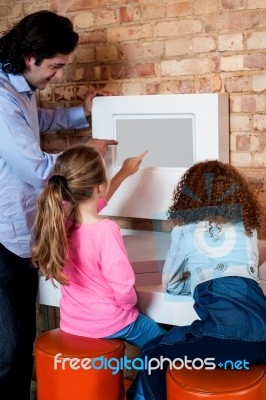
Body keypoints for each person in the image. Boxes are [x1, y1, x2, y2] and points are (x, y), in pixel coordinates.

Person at [0, 10, 117, 400]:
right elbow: (37, 168)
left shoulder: (22, 92)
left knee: (20, 341)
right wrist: (85, 151)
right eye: (56, 66)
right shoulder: (1, 99)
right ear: (31, 58)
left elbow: (43, 122)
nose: (61, 76)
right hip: (3, 237)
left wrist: (80, 114)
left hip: (22, 233)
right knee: (9, 350)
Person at [128, 160, 266, 400]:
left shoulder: (186, 230)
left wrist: (198, 281)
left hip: (226, 340)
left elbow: (171, 284)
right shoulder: (247, 229)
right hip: (263, 338)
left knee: (152, 353)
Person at [32, 145, 165, 348]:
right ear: (100, 187)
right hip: (110, 322)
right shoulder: (106, 230)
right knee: (164, 346)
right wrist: (129, 307)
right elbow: (123, 287)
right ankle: (143, 382)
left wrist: (124, 173)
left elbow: (93, 207)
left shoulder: (61, 223)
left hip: (72, 322)